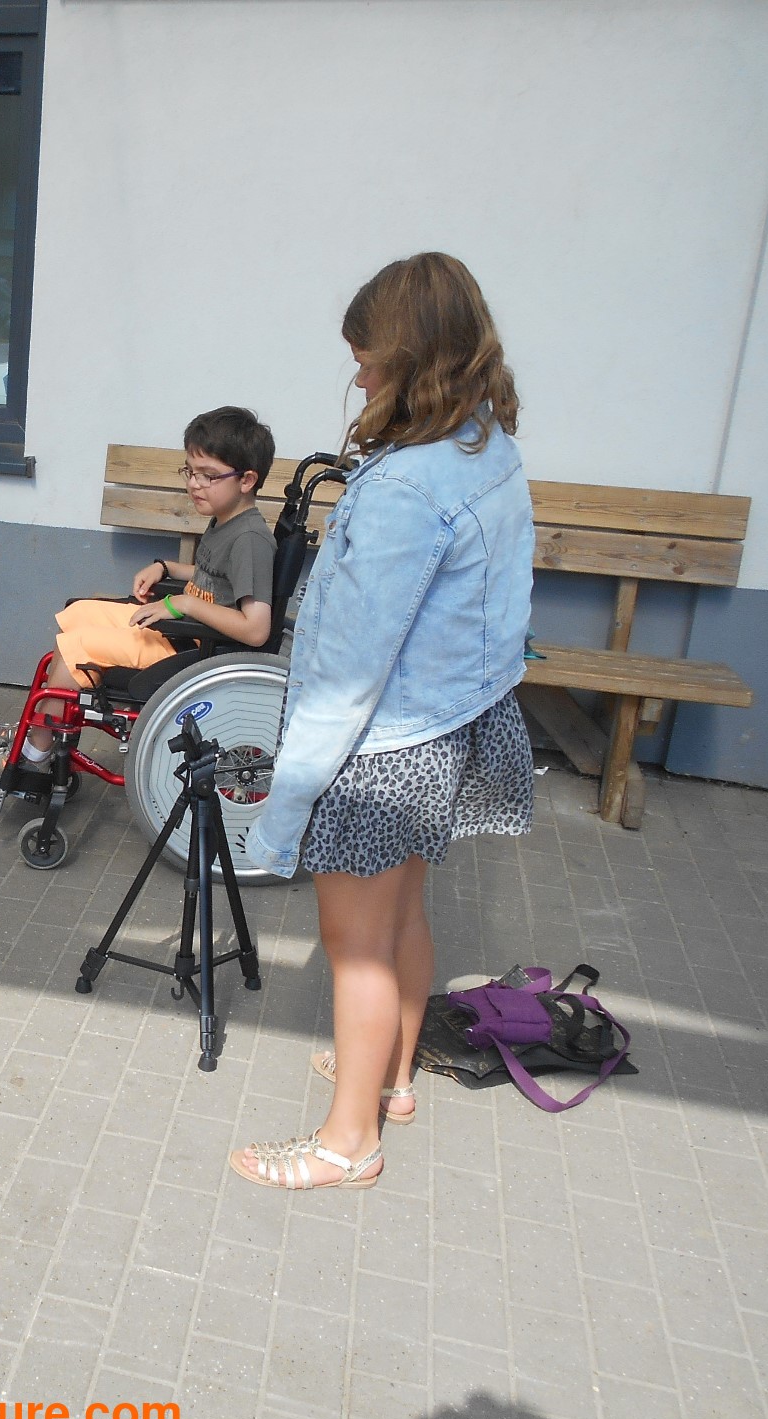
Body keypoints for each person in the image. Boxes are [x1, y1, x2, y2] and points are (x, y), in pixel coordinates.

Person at [229, 253, 536, 1193]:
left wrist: (290, 793)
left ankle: (347, 1143)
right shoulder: (486, 445)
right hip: (443, 730)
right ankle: (393, 1082)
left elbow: (350, 672)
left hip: (381, 747)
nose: (357, 376)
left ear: (412, 358)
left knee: (355, 945)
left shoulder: (408, 488)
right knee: (402, 913)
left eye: (367, 358)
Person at [0, 406, 276, 778]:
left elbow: (256, 629)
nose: (194, 484)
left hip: (192, 648)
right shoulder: (228, 521)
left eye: (208, 476)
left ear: (246, 480)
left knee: (78, 647)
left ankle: (34, 753)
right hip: (182, 629)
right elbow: (217, 578)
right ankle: (47, 724)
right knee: (79, 614)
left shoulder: (250, 539)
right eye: (190, 472)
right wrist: (166, 568)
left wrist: (181, 603)